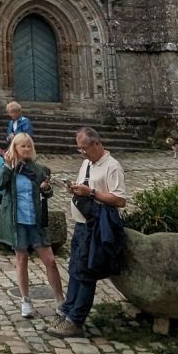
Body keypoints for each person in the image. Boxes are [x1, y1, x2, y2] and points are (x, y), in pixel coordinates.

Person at [51, 127, 127, 338]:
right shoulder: (86, 163)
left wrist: (92, 192)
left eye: (84, 148)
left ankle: (76, 320)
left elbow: (120, 200)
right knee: (75, 268)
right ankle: (68, 311)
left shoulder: (112, 167)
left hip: (96, 227)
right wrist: (75, 189)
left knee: (86, 272)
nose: (82, 153)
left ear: (96, 144)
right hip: (81, 224)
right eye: (79, 149)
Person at [0, 132, 64, 319]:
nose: (26, 149)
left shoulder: (39, 169)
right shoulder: (9, 168)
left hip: (35, 221)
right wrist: (8, 167)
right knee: (21, 260)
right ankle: (25, 300)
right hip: (18, 222)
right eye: (22, 146)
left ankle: (60, 300)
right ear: (14, 148)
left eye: (28, 146)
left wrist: (46, 189)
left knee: (50, 260)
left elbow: (47, 193)